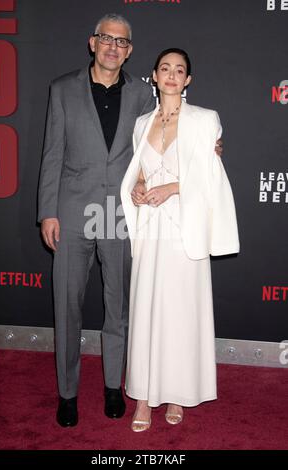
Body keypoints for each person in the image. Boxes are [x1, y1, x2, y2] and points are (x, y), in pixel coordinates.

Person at [38, 13, 222, 427]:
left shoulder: (143, 95)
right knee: (66, 307)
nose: (112, 47)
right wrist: (47, 211)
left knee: (118, 306)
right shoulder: (63, 88)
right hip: (71, 210)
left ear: (130, 50)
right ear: (92, 42)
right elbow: (51, 154)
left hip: (122, 213)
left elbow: (173, 134)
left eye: (121, 42)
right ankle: (67, 394)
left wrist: (212, 146)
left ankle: (112, 388)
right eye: (106, 38)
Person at [121, 48, 239, 432]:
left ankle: (176, 394)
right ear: (154, 76)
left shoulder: (206, 121)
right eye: (165, 69)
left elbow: (212, 180)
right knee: (147, 311)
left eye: (180, 70)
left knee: (182, 315)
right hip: (152, 232)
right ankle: (143, 397)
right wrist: (139, 188)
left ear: (188, 80)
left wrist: (172, 187)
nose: (172, 75)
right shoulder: (141, 123)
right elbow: (138, 172)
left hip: (185, 231)